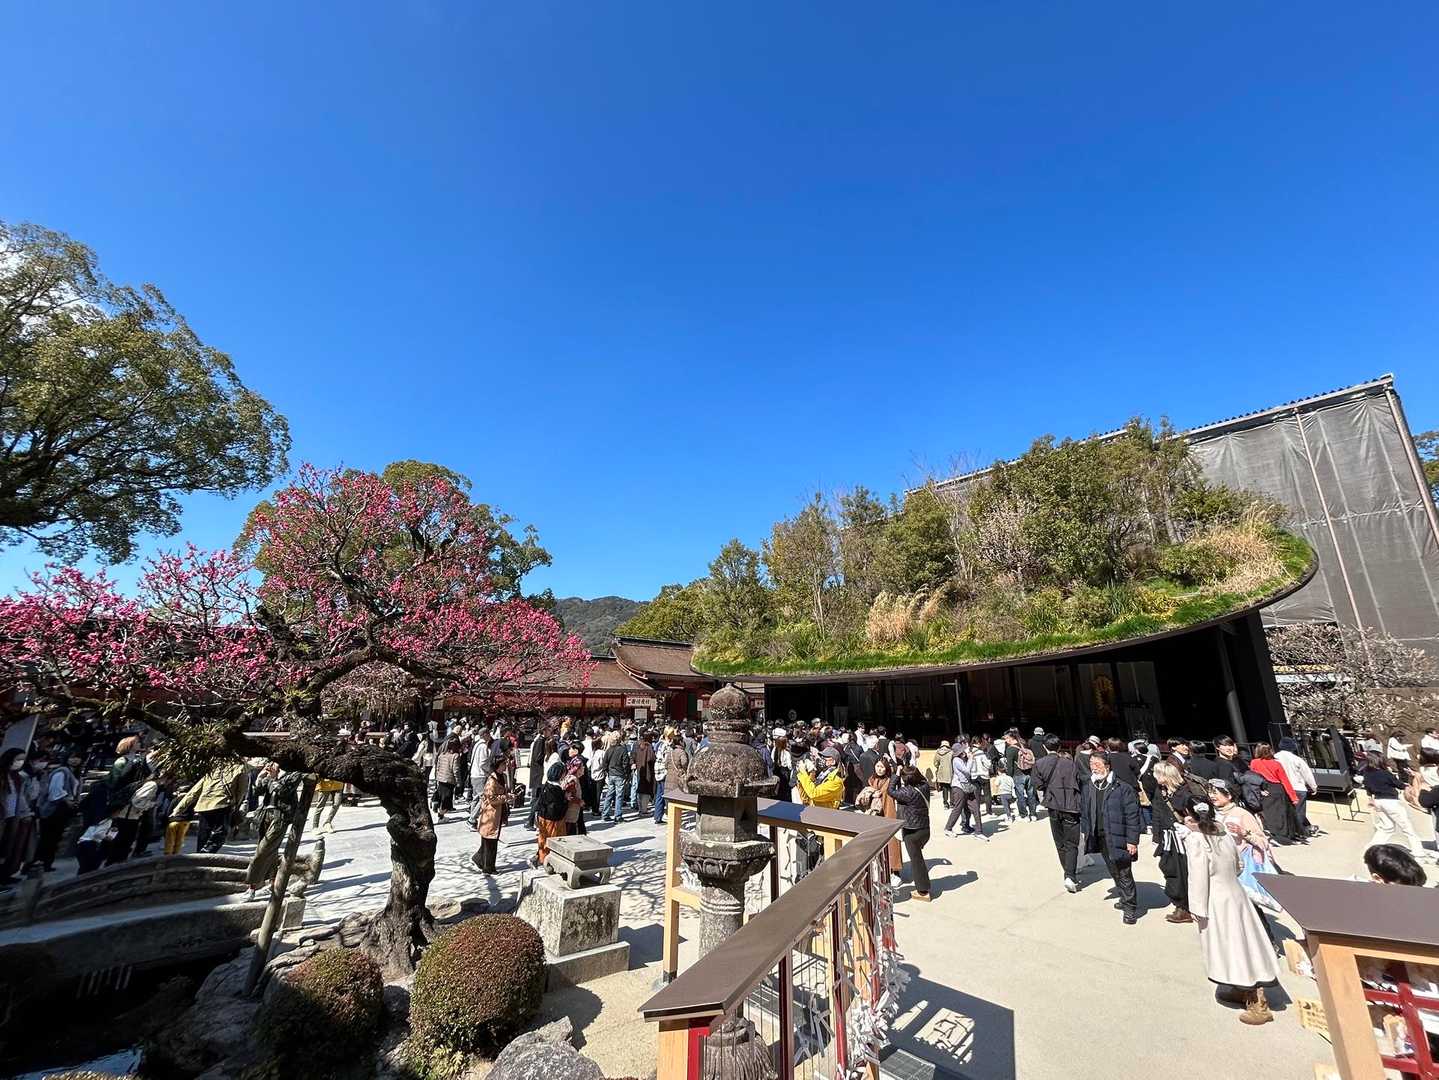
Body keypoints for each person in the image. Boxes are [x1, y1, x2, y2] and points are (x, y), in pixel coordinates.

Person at [1183, 799, 1280, 1024]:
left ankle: (1257, 1001)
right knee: (1247, 942)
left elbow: (1198, 876)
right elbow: (1239, 865)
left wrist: (1196, 907)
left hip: (1216, 898)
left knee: (1231, 946)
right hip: (1236, 893)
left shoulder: (1196, 839)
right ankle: (1240, 987)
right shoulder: (1223, 832)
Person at [1079, 751, 1142, 924]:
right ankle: (1123, 897)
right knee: (1113, 870)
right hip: (1100, 835)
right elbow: (1085, 810)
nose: (1094, 768)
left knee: (1123, 871)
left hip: (1118, 836)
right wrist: (1086, 830)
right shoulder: (1089, 786)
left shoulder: (1122, 788)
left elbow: (1132, 816)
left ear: (1107, 766)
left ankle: (1130, 908)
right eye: (1091, 764)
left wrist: (1132, 841)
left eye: (1097, 764)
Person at [1033, 735, 1082, 891]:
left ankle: (1067, 872)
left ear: (1044, 747)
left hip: (1053, 804)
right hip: (1071, 805)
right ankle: (1070, 875)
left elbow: (1038, 785)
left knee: (1059, 842)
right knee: (1072, 843)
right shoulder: (1070, 763)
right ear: (1059, 747)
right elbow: (1079, 782)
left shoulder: (1039, 763)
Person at [170, 758, 247, 854]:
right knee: (221, 833)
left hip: (204, 805)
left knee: (203, 834)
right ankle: (206, 853)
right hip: (223, 804)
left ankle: (200, 855)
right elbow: (242, 790)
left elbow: (194, 792)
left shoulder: (213, 770)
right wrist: (236, 804)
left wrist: (178, 809)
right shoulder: (240, 768)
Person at [1149, 761, 1194, 924]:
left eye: (1157, 774)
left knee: (1184, 871)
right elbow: (1156, 813)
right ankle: (1181, 903)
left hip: (1184, 838)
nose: (1154, 777)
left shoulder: (1185, 793)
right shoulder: (1160, 791)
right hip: (1168, 838)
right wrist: (1156, 836)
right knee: (1169, 868)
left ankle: (1186, 907)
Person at [1362, 751, 1429, 861]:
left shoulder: (1367, 773)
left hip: (1378, 801)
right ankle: (1418, 853)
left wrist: (1370, 799)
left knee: (1387, 827)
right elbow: (1399, 785)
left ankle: (1371, 848)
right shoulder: (1385, 773)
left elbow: (1367, 787)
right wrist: (1408, 783)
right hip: (1391, 802)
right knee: (1407, 828)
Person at [857, 756, 904, 886]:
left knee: (893, 844)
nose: (879, 769)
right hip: (875, 815)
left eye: (882, 767)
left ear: (886, 768)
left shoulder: (890, 780)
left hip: (889, 814)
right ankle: (882, 871)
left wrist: (897, 771)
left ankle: (895, 871)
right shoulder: (871, 780)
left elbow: (896, 780)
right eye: (877, 766)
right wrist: (871, 794)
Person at [33, 750, 83, 872]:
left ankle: (46, 863)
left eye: (78, 757)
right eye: (72, 757)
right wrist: (66, 799)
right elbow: (55, 791)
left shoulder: (75, 774)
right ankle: (37, 864)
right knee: (47, 838)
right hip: (54, 809)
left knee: (55, 837)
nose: (75, 760)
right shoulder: (62, 771)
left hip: (64, 809)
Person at [891, 765, 933, 901]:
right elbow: (922, 778)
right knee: (918, 859)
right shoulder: (924, 786)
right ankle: (923, 887)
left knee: (916, 862)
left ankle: (922, 890)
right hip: (924, 828)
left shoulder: (907, 792)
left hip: (912, 832)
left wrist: (897, 774)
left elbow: (891, 791)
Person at [1246, 743, 1299, 844]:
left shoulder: (1254, 762)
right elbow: (1285, 781)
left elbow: (1253, 778)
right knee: (1282, 814)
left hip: (1265, 788)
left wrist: (1259, 790)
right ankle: (1285, 836)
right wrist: (1293, 797)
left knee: (1269, 814)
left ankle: (1274, 835)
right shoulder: (1276, 764)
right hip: (1278, 789)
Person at [471, 749, 512, 874]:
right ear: (498, 765)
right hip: (491, 815)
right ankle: (488, 867)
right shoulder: (492, 780)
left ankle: (479, 859)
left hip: (497, 813)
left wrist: (508, 795)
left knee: (489, 840)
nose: (505, 766)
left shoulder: (502, 777)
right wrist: (505, 798)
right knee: (490, 841)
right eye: (503, 764)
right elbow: (491, 799)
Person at [1275, 738, 1319, 838]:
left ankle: (1291, 831)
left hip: (1282, 788)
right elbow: (1307, 774)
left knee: (1287, 811)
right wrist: (1313, 787)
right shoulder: (1297, 759)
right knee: (1299, 812)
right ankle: (1300, 832)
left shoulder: (1275, 758)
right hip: (1298, 787)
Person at [599, 731, 632, 822]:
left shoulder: (608, 750)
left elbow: (604, 763)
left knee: (609, 794)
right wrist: (626, 774)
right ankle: (618, 816)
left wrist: (607, 772)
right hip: (620, 774)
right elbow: (626, 763)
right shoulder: (622, 750)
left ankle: (605, 814)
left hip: (611, 774)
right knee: (619, 796)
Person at [932, 741, 954, 808]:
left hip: (942, 773)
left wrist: (939, 767)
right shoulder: (951, 752)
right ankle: (952, 803)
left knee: (944, 788)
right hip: (950, 772)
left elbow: (935, 763)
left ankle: (945, 803)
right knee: (951, 788)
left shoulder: (938, 752)